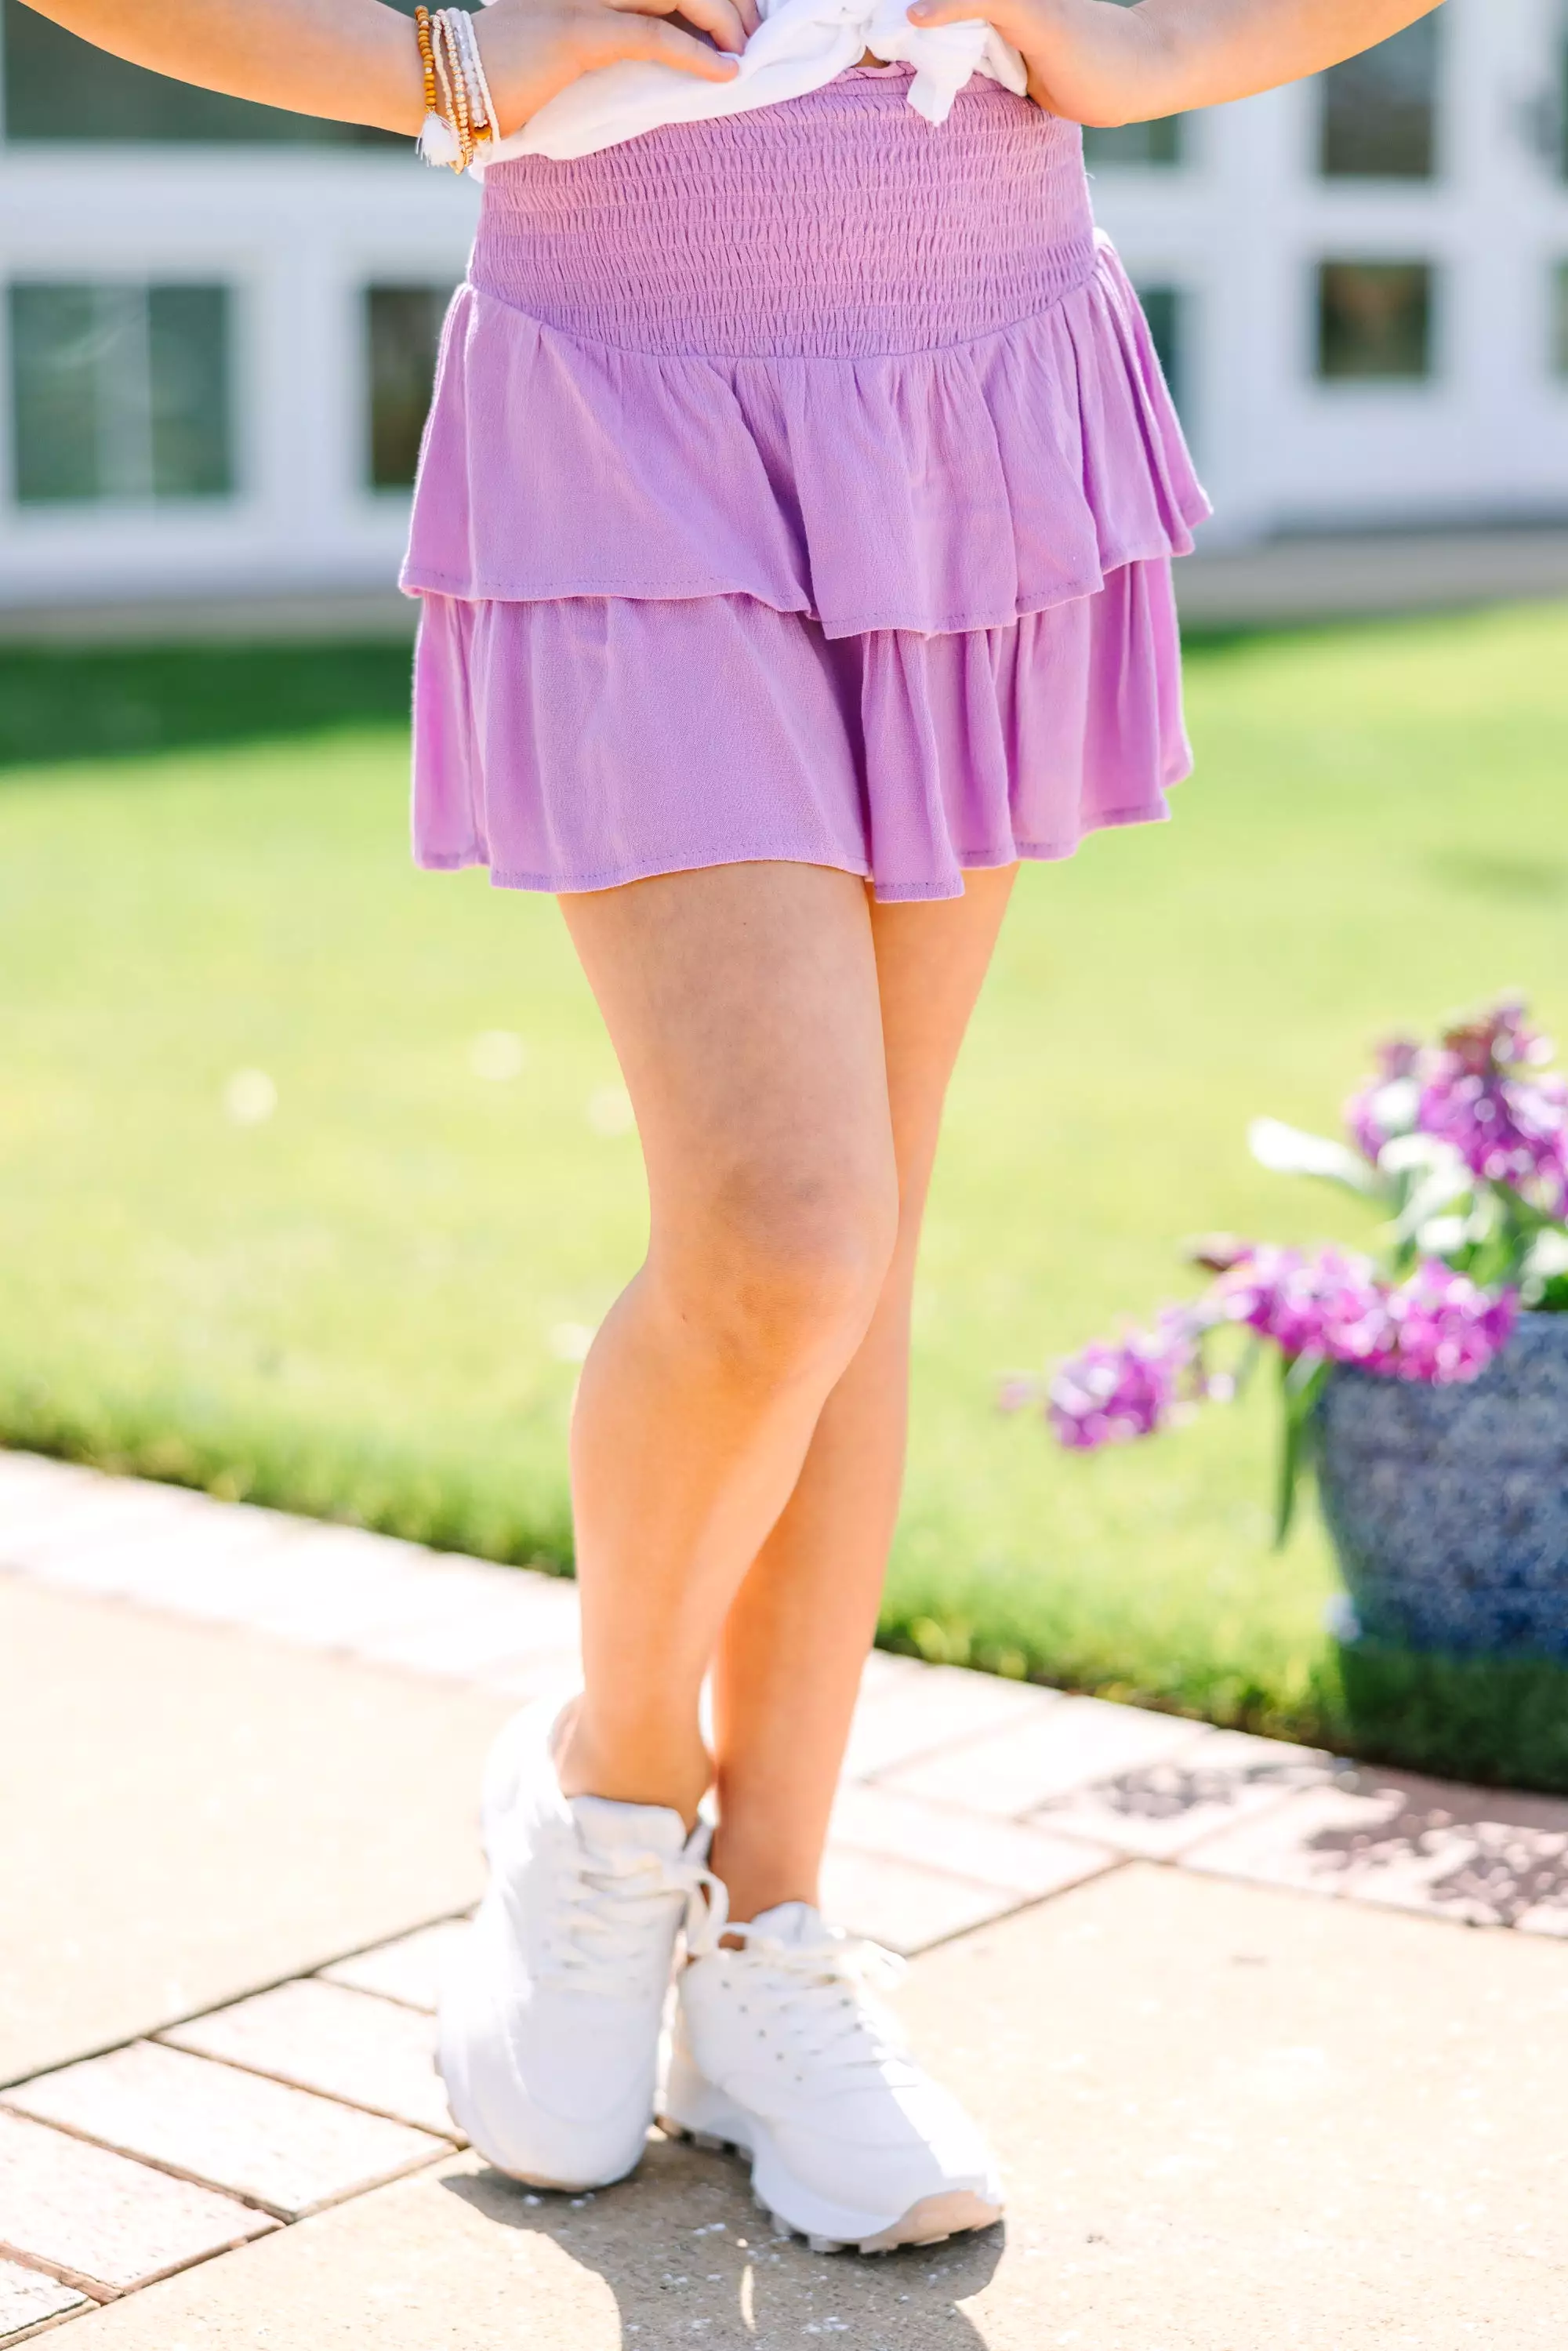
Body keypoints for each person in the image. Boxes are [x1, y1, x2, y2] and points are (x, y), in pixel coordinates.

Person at [27, 0, 1445, 2256]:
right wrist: (449, 54)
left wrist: (1148, 41)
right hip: (622, 381)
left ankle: (769, 1942)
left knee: (861, 1228)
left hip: (975, 359)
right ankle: (610, 1805)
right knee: (784, 1223)